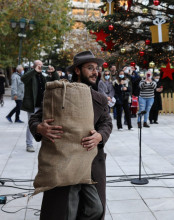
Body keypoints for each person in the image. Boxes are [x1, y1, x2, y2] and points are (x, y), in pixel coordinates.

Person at [29, 50, 113, 220]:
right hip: (65, 161)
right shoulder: (60, 93)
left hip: (89, 163)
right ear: (77, 70)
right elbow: (36, 118)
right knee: (67, 209)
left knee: (95, 208)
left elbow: (107, 122)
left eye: (96, 68)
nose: (95, 72)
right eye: (90, 68)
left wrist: (100, 136)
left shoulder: (99, 98)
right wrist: (40, 128)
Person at [21, 60, 59, 152]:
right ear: (34, 66)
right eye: (38, 65)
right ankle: (29, 144)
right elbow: (23, 78)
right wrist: (34, 71)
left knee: (45, 124)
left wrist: (53, 72)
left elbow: (56, 81)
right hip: (32, 105)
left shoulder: (44, 76)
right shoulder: (30, 75)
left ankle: (44, 143)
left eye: (42, 65)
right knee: (32, 124)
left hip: (43, 105)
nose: (40, 67)